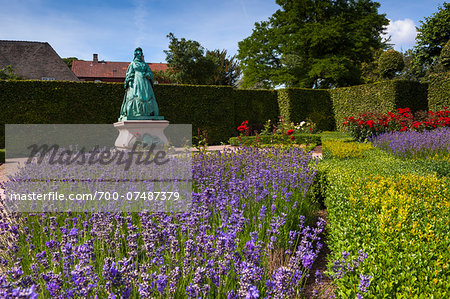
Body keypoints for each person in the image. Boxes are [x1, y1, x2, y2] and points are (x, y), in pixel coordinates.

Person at [119, 47, 159, 120]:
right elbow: (129, 74)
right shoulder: (132, 64)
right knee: (135, 96)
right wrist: (130, 82)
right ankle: (135, 112)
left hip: (145, 83)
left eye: (140, 54)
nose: (139, 55)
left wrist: (148, 74)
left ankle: (147, 113)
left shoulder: (145, 64)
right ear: (135, 55)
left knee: (147, 96)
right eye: (138, 54)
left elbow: (150, 72)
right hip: (136, 82)